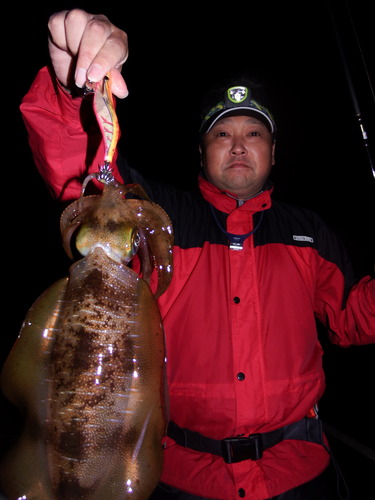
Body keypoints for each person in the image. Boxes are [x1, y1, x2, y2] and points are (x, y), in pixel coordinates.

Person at [18, 8, 375, 500]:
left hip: (301, 472)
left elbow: (355, 320)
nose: (238, 147)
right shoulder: (156, 217)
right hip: (181, 477)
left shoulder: (308, 232)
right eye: (222, 135)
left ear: (273, 152)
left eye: (254, 134)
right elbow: (82, 174)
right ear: (203, 152)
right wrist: (73, 92)